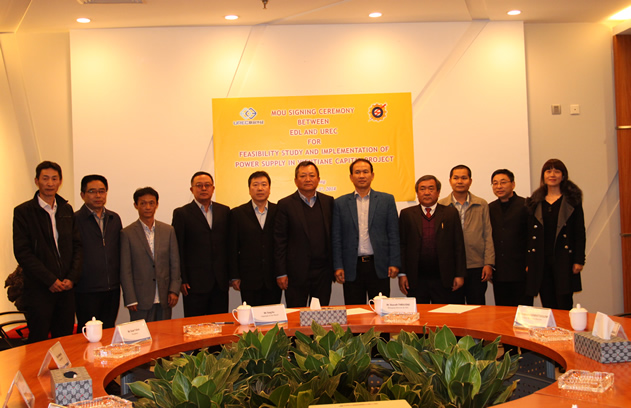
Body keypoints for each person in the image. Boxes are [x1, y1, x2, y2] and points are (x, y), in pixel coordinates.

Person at [13, 161, 82, 343]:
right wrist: (50, 280)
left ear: (60, 181)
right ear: (37, 181)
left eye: (54, 179)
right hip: (39, 288)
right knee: (38, 341)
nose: (50, 183)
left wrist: (71, 278)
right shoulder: (24, 212)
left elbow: (77, 246)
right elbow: (23, 252)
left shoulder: (66, 209)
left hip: (66, 288)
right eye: (45, 179)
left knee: (65, 340)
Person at [332, 159, 400, 305]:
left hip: (379, 265)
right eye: (357, 172)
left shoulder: (386, 200)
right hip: (352, 266)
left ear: (372, 175)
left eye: (365, 172)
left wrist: (394, 262)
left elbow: (393, 234)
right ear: (351, 177)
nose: (361, 175)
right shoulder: (340, 203)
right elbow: (336, 238)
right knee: (354, 311)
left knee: (380, 311)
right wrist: (338, 266)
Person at [526, 159, 585, 310]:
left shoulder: (572, 201)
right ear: (543, 176)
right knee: (548, 304)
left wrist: (579, 260)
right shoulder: (535, 202)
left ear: (563, 176)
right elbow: (529, 234)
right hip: (541, 261)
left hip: (564, 260)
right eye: (548, 171)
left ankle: (565, 327)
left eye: (557, 171)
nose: (552, 175)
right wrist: (528, 262)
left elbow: (579, 232)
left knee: (564, 303)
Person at [275, 161, 334, 307]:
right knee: (296, 315)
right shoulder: (285, 204)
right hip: (295, 273)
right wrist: (281, 272)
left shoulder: (328, 202)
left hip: (323, 272)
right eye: (303, 176)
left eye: (312, 175)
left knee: (321, 315)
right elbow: (279, 241)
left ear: (318, 179)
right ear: (296, 180)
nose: (308, 179)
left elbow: (334, 237)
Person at [398, 175, 466, 304]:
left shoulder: (450, 213)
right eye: (422, 189)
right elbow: (402, 246)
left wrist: (459, 274)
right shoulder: (406, 214)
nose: (427, 192)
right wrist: (402, 274)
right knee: (419, 314)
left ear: (438, 192)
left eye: (431, 188)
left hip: (444, 278)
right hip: (416, 279)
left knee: (443, 314)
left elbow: (458, 245)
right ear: (417, 193)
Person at [172, 172, 230, 316]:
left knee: (220, 323)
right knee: (196, 325)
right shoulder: (182, 213)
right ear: (192, 189)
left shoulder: (224, 211)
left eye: (207, 185)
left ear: (213, 188)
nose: (203, 188)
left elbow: (229, 245)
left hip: (220, 281)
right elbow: (178, 249)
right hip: (194, 283)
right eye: (199, 185)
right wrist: (182, 279)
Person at [120, 187, 181, 322]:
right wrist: (130, 298)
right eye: (143, 203)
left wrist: (174, 290)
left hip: (165, 296)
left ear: (156, 205)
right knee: (142, 335)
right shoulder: (127, 233)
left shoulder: (168, 231)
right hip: (139, 299)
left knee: (165, 334)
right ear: (136, 205)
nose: (147, 207)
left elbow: (175, 263)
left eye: (151, 203)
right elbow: (125, 269)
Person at [438, 165, 494, 305]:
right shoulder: (441, 205)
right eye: (456, 178)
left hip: (476, 265)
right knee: (453, 308)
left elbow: (488, 235)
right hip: (452, 267)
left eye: (464, 178)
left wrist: (488, 263)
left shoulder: (481, 204)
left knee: (477, 308)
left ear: (470, 181)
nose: (460, 181)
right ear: (450, 181)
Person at [74, 174, 123, 329]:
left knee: (109, 329)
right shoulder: (75, 220)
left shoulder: (114, 219)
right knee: (88, 332)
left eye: (102, 191)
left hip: (112, 288)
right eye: (92, 191)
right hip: (85, 289)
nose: (98, 195)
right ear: (82, 195)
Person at [229, 171, 281, 306]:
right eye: (255, 185)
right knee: (250, 316)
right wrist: (235, 275)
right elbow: (232, 247)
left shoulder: (279, 211)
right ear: (249, 189)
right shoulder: (237, 213)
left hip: (273, 277)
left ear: (269, 189)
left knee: (273, 315)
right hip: (248, 278)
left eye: (264, 184)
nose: (260, 188)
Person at [488, 169, 532, 307]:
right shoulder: (490, 208)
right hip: (499, 272)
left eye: (503, 182)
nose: (499, 186)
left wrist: (530, 263)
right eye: (495, 183)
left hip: (521, 270)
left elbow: (532, 237)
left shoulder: (526, 205)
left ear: (513, 184)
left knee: (524, 312)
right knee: (502, 312)